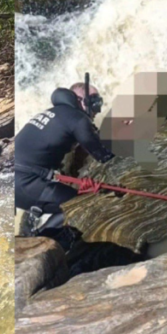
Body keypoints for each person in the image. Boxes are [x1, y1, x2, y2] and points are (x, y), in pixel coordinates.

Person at [15, 79, 114, 234]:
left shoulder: (52, 114)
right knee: (81, 205)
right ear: (80, 100)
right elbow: (103, 156)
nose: (97, 109)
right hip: (28, 183)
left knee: (62, 199)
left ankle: (29, 228)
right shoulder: (77, 119)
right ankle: (38, 241)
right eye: (94, 101)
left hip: (17, 181)